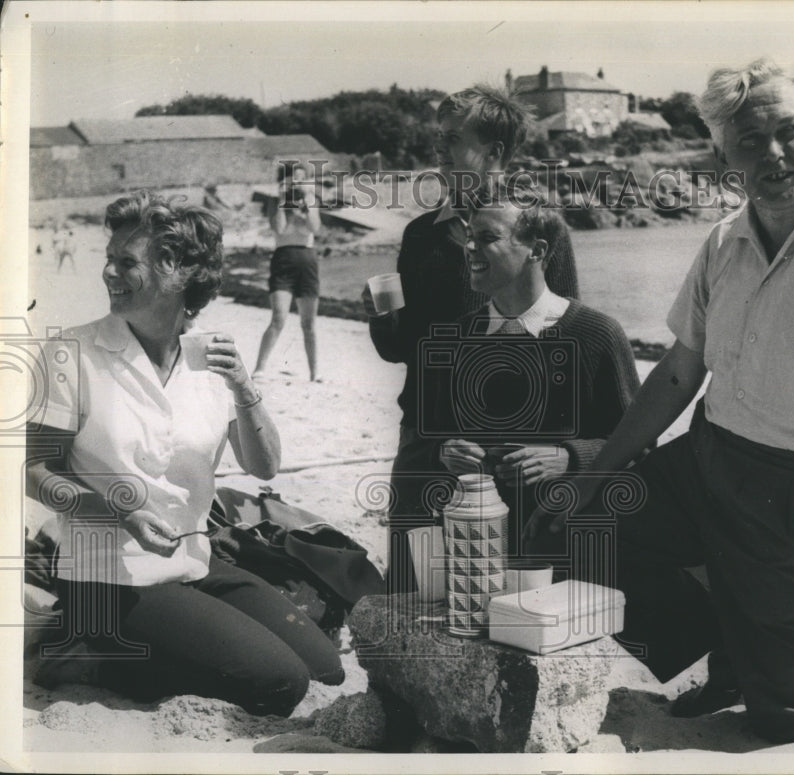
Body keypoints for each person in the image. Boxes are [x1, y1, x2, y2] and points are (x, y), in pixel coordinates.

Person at [527, 58, 794, 742]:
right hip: (705, 464)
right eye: (748, 141)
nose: (771, 153)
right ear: (721, 154)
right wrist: (596, 475)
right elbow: (679, 372)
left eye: (788, 131)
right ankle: (730, 650)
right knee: (584, 527)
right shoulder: (723, 241)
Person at [25, 191, 345, 717]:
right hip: (107, 576)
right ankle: (90, 657)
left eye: (126, 262)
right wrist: (121, 512)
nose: (108, 273)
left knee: (325, 668)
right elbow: (35, 471)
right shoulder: (72, 353)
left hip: (195, 562)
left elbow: (264, 466)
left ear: (179, 271)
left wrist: (244, 387)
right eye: (110, 259)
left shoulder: (212, 360)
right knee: (280, 684)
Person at [363, 86, 580, 593]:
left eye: (453, 140)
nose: (438, 150)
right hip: (426, 434)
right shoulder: (421, 234)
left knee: (502, 591)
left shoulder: (539, 230)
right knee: (414, 584)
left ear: (495, 153)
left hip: (508, 442)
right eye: (438, 138)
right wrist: (381, 314)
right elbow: (401, 348)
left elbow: (567, 338)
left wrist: (555, 446)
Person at [427, 185, 639, 569]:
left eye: (487, 238)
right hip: (478, 545)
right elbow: (437, 437)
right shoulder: (457, 337)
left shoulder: (597, 334)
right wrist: (447, 451)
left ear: (537, 251)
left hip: (573, 548)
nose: (470, 248)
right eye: (470, 238)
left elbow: (639, 445)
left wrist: (569, 457)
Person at [253, 163, 323, 381]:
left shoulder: (311, 201)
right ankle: (260, 368)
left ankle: (314, 373)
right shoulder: (276, 202)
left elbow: (314, 228)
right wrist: (284, 200)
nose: (297, 184)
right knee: (278, 318)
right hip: (283, 260)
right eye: (294, 180)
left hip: (307, 262)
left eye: (302, 179)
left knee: (309, 324)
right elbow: (280, 229)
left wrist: (307, 201)